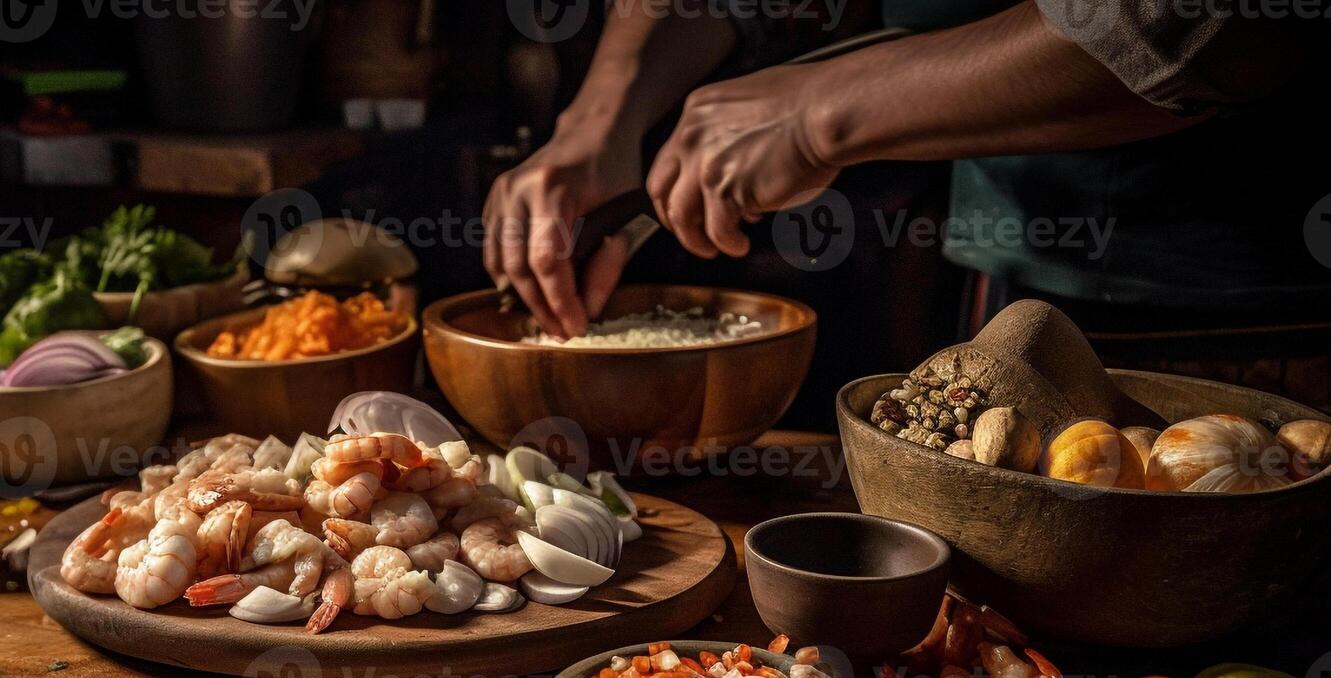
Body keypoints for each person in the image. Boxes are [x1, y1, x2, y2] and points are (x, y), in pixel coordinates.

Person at [483, 0, 1330, 386]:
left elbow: (1197, 21)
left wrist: (821, 114)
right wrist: (599, 121)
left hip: (1241, 304)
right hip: (1007, 271)